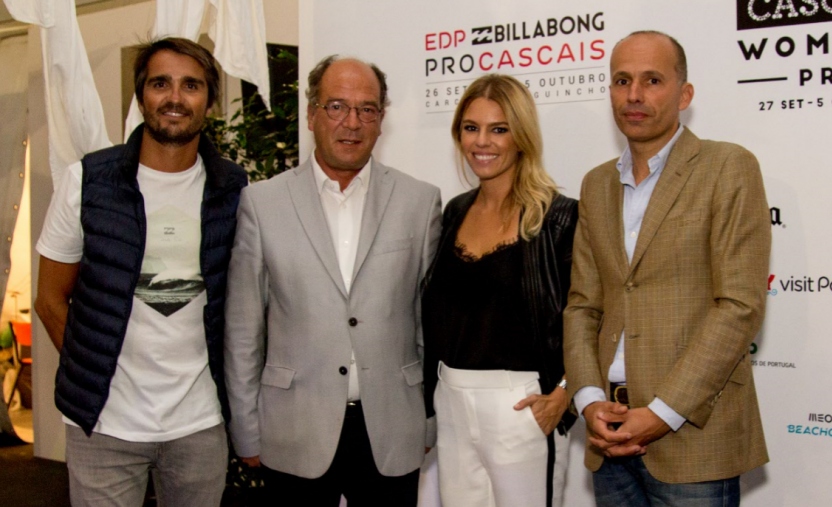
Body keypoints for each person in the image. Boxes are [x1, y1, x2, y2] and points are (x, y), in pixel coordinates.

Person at [33, 38, 247, 506]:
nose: (175, 98)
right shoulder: (87, 181)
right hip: (104, 425)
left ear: (210, 101)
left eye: (191, 85)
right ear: (141, 96)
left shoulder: (235, 190)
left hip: (199, 424)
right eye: (160, 84)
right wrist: (94, 372)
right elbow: (49, 299)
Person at [563, 30, 771, 506]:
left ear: (685, 94)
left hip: (694, 435)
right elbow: (582, 306)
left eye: (652, 80)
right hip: (607, 433)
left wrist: (662, 412)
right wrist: (589, 400)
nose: (634, 95)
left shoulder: (727, 167)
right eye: (622, 81)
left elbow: (739, 305)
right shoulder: (597, 184)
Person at [224, 55, 442, 506]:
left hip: (391, 428)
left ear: (381, 120)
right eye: (337, 106)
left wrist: (427, 418)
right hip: (293, 428)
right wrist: (246, 427)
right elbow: (244, 330)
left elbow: (429, 324)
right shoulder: (262, 203)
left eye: (367, 109)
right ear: (311, 114)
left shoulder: (419, 202)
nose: (352, 122)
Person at [421, 74, 578, 507]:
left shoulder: (558, 218)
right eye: (471, 128)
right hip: (451, 400)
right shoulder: (455, 211)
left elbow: (591, 316)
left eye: (499, 129)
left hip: (522, 404)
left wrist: (565, 392)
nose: (482, 142)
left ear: (521, 136)